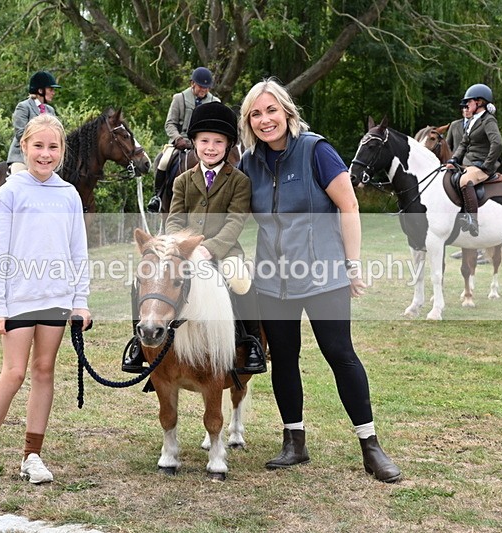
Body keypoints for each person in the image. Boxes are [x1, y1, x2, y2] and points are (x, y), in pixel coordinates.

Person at [237, 78, 401, 482]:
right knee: (284, 358)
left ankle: (370, 445)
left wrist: (353, 264)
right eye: (255, 114)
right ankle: (294, 441)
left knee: (340, 354)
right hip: (273, 281)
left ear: (287, 112)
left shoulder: (317, 150)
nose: (264, 120)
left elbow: (349, 205)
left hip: (324, 274)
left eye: (271, 110)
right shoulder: (249, 162)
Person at [0, 114, 92, 488]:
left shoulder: (68, 195)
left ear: (62, 151)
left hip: (55, 298)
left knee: (44, 371)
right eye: (38, 146)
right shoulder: (10, 192)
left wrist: (80, 300)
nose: (45, 154)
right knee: (14, 373)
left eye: (53, 147)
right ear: (24, 147)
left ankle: (32, 456)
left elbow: (78, 252)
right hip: (18, 298)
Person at [122, 102, 266, 375]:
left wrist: (209, 249)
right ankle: (139, 344)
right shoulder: (182, 180)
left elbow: (235, 221)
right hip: (182, 251)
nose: (210, 147)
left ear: (228, 145)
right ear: (195, 144)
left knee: (240, 279)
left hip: (224, 251)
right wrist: (178, 246)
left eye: (218, 142)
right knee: (139, 279)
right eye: (204, 141)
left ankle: (252, 342)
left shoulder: (239, 181)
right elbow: (174, 219)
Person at [147, 67, 221, 213]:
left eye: (207, 88)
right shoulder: (179, 98)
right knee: (163, 161)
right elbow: (170, 123)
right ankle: (157, 197)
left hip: (205, 143)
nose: (204, 91)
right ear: (192, 83)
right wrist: (178, 138)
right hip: (181, 142)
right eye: (201, 87)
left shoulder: (215, 102)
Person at [445, 83, 502, 237]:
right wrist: (453, 160)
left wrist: (487, 165)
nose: (466, 105)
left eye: (469, 101)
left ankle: (472, 220)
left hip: (480, 165)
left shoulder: (488, 120)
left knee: (465, 181)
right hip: (466, 164)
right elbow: (463, 144)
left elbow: (497, 144)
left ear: (479, 102)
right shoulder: (472, 121)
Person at [7, 71, 61, 175]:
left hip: (46, 156)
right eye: (50, 89)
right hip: (22, 157)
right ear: (40, 90)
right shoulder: (23, 107)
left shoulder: (50, 110)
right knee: (19, 179)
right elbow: (20, 134)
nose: (53, 92)